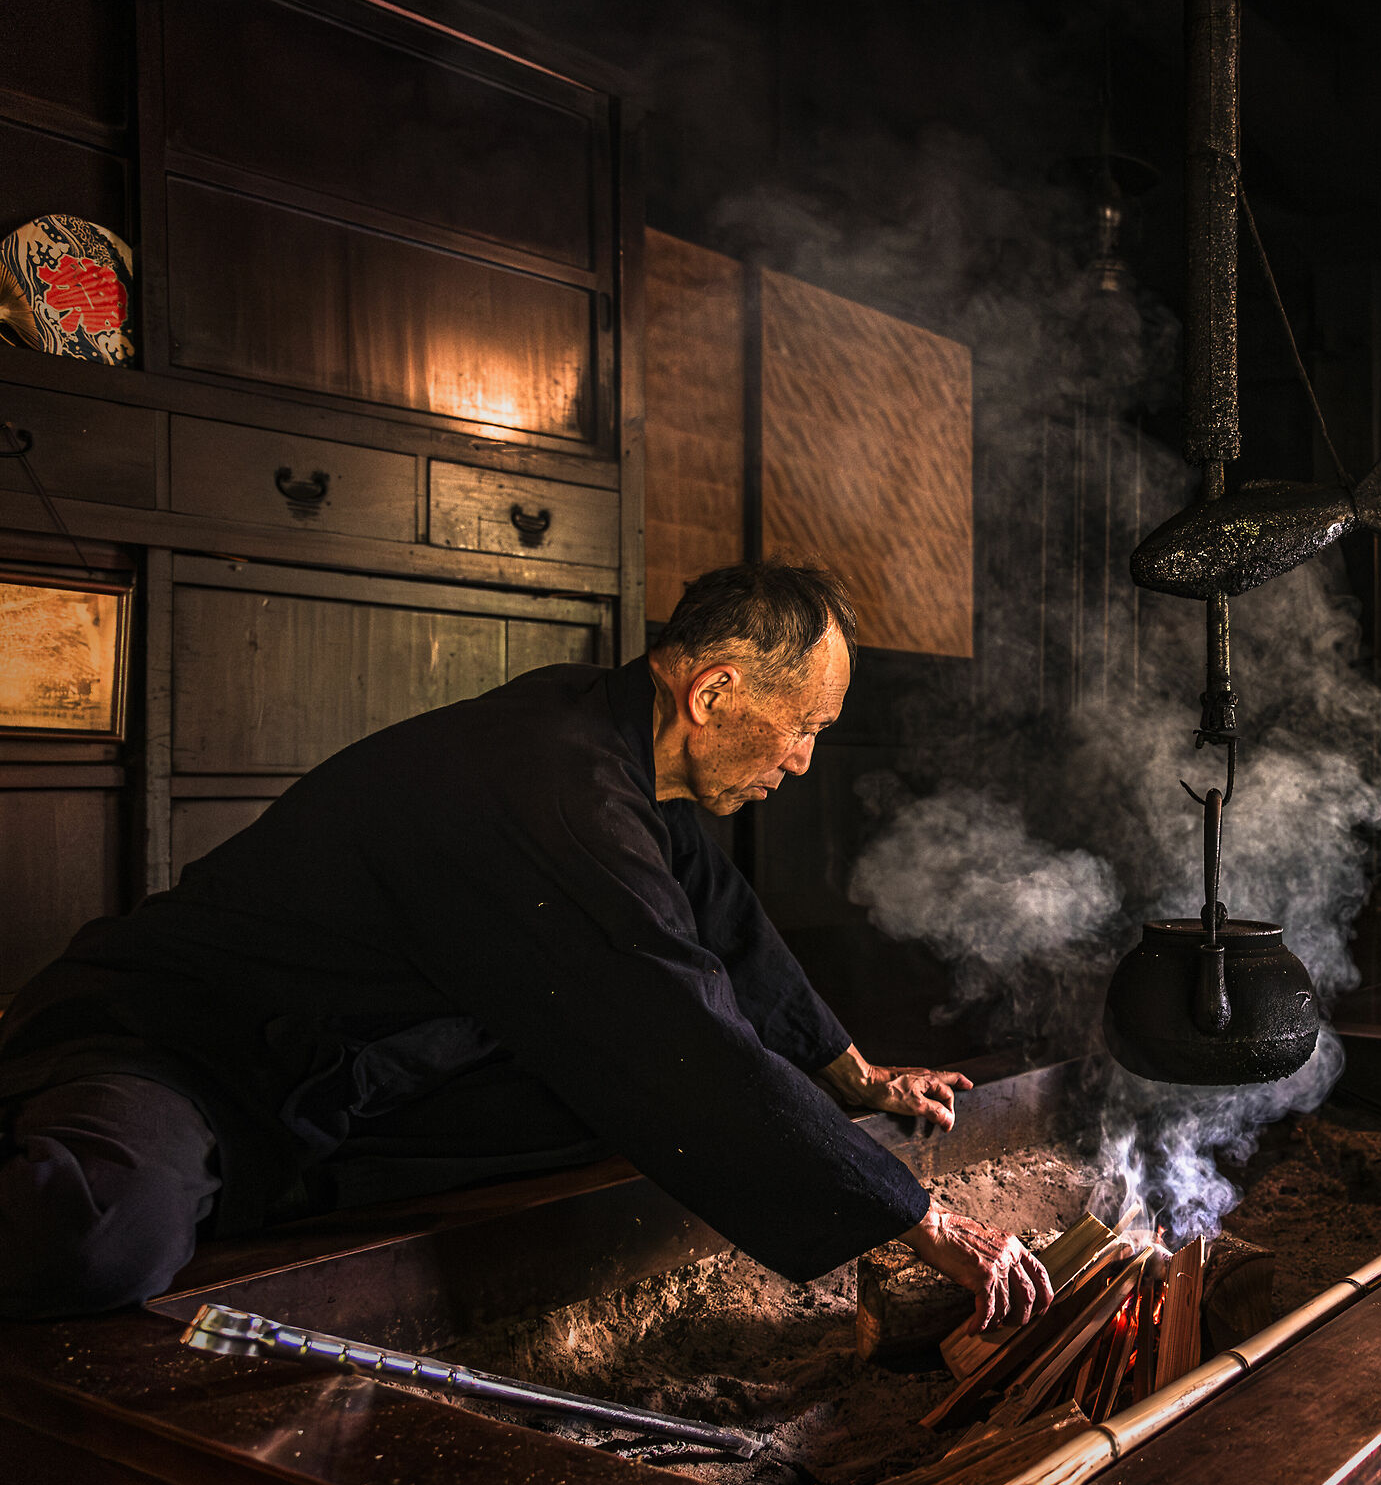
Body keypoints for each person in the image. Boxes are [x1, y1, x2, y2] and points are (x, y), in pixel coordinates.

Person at [0, 561, 1053, 1331]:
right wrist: (922, 1220)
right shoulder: (559, 792)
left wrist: (856, 1077)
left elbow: (728, 929)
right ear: (716, 691)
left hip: (368, 1071)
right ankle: (170, 1170)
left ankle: (246, 1186)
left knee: (620, 1102)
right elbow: (676, 1026)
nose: (807, 760)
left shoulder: (627, 748)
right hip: (189, 1051)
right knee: (100, 1237)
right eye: (805, 727)